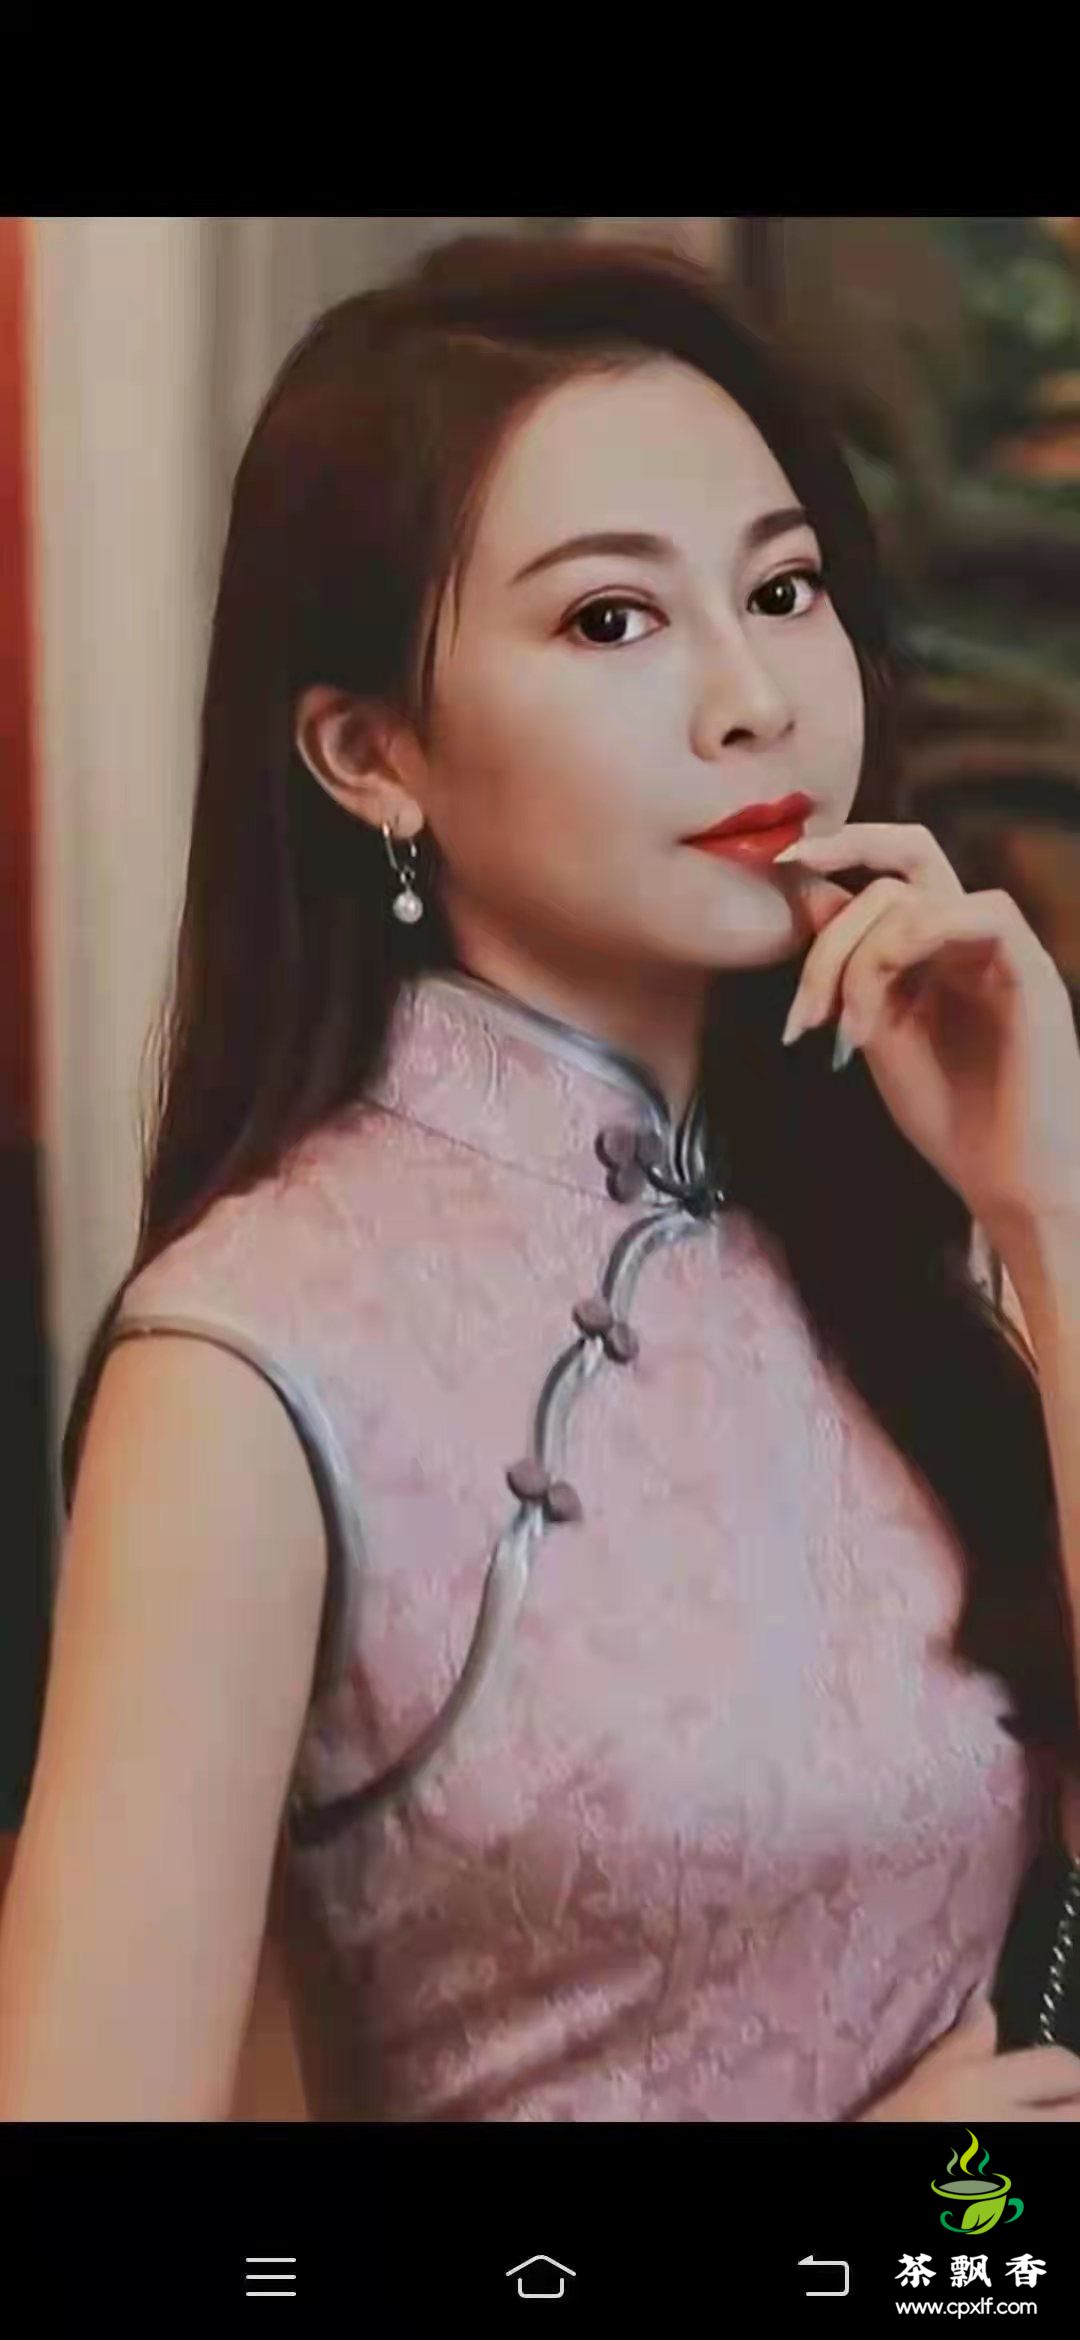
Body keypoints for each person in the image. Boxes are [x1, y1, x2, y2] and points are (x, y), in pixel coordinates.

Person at [2, 232, 1080, 2124]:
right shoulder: (254, 1357)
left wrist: (1049, 1212)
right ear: (369, 754)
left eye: (784, 588)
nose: (752, 699)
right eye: (611, 621)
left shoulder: (888, 1215)